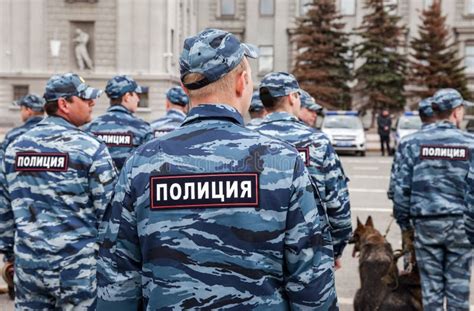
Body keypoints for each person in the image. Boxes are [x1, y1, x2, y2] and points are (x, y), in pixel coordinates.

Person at [97, 28, 336, 310]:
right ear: (242, 82)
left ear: (185, 89)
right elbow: (311, 280)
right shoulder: (282, 160)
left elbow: (118, 281)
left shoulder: (142, 163)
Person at [0, 73, 117, 309]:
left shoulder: (15, 149)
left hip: (29, 266)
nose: (92, 103)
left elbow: (4, 212)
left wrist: (9, 257)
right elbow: (111, 215)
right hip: (78, 270)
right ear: (64, 104)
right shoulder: (90, 149)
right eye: (85, 99)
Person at [251, 72, 351, 273]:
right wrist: (335, 250)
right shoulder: (317, 142)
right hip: (310, 253)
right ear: (292, 98)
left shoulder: (245, 138)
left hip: (257, 252)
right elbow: (338, 207)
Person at [394, 88, 474, 310]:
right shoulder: (470, 143)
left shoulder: (411, 143)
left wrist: (405, 226)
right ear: (456, 112)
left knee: (431, 292)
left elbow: (401, 190)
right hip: (461, 227)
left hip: (426, 225)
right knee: (459, 293)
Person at [0, 93, 45, 299]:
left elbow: (4, 189)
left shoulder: (13, 138)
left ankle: (14, 285)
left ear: (27, 110)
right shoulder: (51, 134)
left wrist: (7, 250)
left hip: (22, 219)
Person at [85, 75, 153, 171]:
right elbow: (149, 165)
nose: (138, 99)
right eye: (136, 94)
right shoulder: (142, 128)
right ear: (127, 97)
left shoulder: (92, 127)